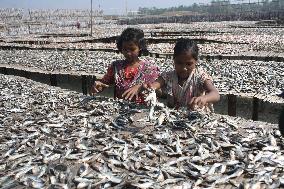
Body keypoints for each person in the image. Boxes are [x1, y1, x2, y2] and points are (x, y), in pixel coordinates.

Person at [145, 38, 220, 110]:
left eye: (189, 64)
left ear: (196, 61)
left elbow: (215, 94)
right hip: (173, 116)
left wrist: (204, 98)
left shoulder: (200, 76)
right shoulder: (168, 76)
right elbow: (155, 85)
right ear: (174, 60)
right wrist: (149, 87)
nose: (184, 68)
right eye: (179, 63)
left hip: (196, 115)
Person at [90, 28, 159, 104]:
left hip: (143, 110)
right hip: (120, 109)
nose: (128, 53)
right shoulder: (116, 67)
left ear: (140, 48)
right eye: (125, 49)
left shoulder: (150, 69)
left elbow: (159, 90)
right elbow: (104, 83)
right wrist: (98, 86)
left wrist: (141, 87)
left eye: (132, 49)